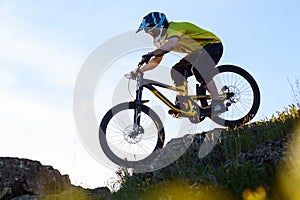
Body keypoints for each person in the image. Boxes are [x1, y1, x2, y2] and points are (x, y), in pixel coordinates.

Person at [135, 11, 225, 114]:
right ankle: (184, 104)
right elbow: (156, 61)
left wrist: (151, 53)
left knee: (198, 69)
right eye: (150, 33)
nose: (152, 35)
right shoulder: (164, 40)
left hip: (212, 45)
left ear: (160, 26)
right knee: (176, 71)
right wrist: (140, 71)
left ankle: (217, 103)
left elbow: (171, 45)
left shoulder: (174, 29)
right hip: (197, 52)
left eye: (152, 32)